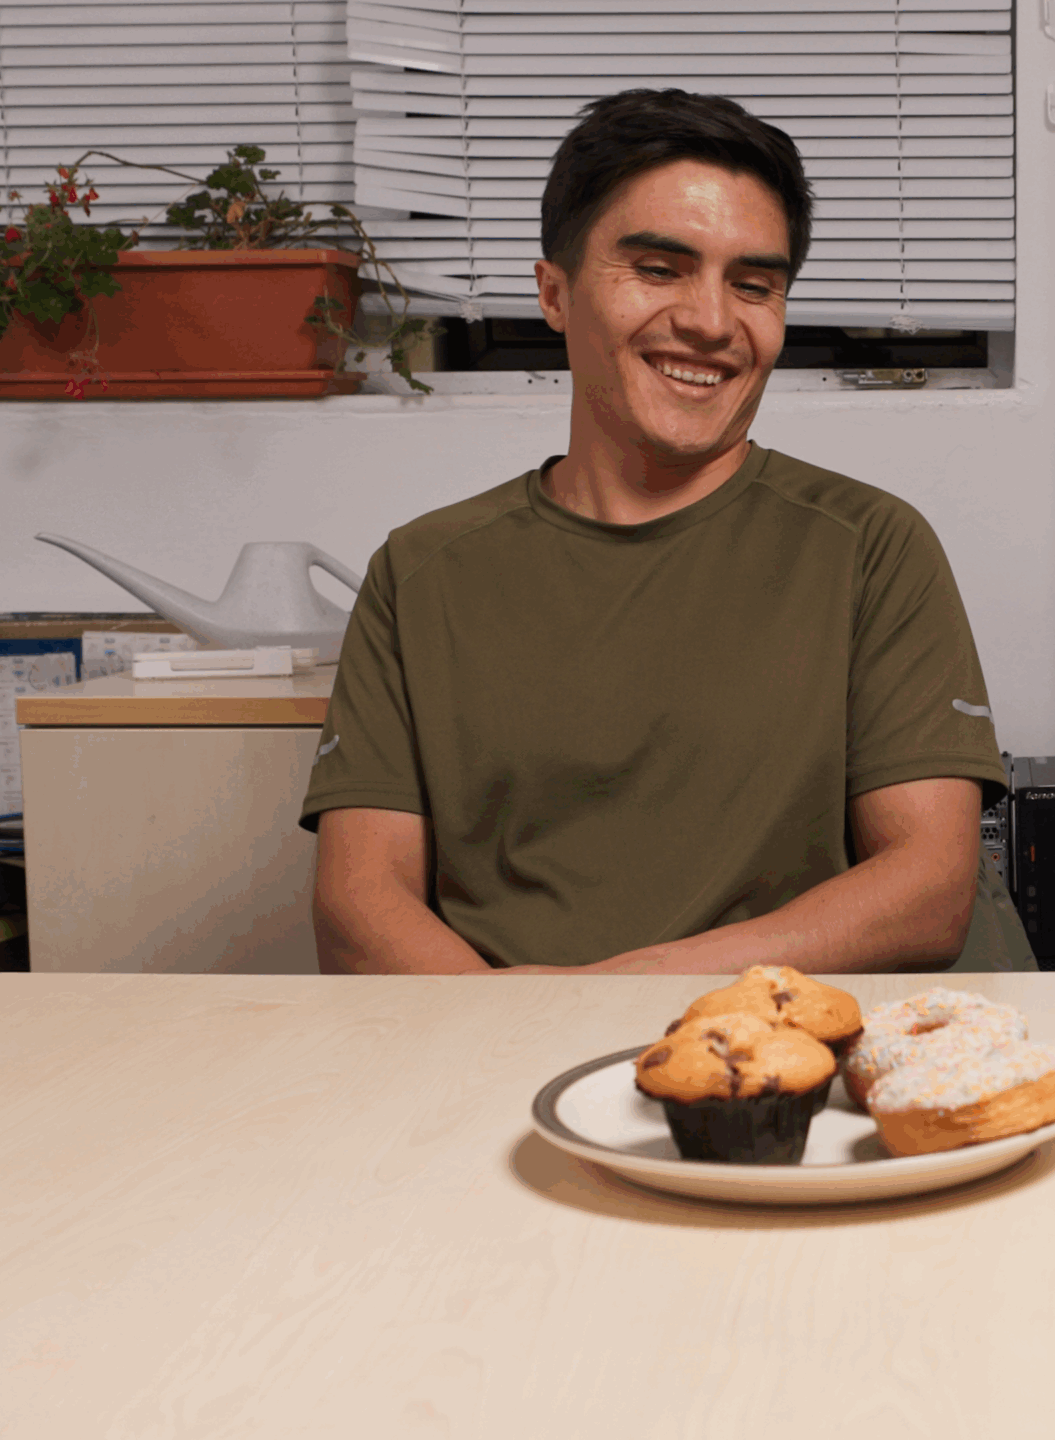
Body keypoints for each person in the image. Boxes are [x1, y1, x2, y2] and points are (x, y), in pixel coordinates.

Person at [304, 88, 1018, 975]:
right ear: (554, 293)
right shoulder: (421, 573)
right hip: (497, 1061)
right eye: (658, 269)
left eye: (754, 286)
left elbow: (928, 890)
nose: (713, 323)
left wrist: (601, 1007)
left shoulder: (870, 546)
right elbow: (357, 905)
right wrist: (516, 1042)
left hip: (786, 1064)